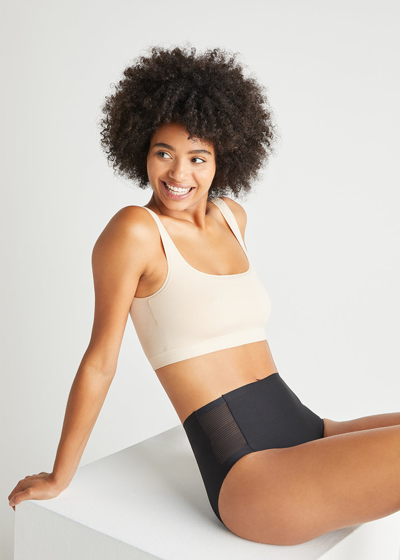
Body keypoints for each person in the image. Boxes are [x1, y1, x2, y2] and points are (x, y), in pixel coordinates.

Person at [8, 45, 400, 546]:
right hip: (253, 475)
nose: (178, 174)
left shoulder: (233, 218)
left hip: (310, 432)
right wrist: (60, 475)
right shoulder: (135, 231)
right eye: (163, 153)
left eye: (197, 158)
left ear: (222, 160)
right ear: (141, 150)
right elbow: (100, 362)